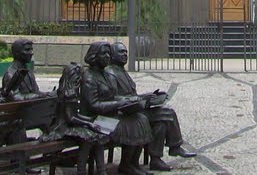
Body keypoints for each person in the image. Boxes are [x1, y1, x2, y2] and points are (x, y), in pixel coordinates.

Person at [108, 42, 196, 171]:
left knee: (161, 125)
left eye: (126, 52)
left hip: (135, 108)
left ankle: (155, 160)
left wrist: (148, 97)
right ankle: (175, 147)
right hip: (125, 113)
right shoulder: (111, 73)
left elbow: (132, 95)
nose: (125, 55)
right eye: (121, 52)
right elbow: (113, 98)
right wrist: (139, 99)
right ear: (113, 55)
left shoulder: (121, 71)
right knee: (168, 113)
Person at [80, 41, 151, 175]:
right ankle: (125, 165)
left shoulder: (105, 74)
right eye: (103, 54)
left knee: (141, 119)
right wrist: (119, 104)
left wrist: (127, 100)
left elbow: (113, 96)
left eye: (108, 53)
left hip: (108, 115)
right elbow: (94, 105)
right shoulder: (89, 77)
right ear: (94, 56)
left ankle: (133, 163)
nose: (107, 56)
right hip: (94, 120)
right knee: (131, 125)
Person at [43, 62, 115, 175]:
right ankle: (81, 171)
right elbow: (71, 118)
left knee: (98, 135)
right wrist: (89, 123)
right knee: (88, 138)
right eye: (78, 76)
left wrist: (89, 121)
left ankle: (102, 170)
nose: (81, 79)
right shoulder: (68, 93)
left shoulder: (74, 90)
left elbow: (75, 116)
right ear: (72, 77)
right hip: (63, 127)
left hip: (72, 124)